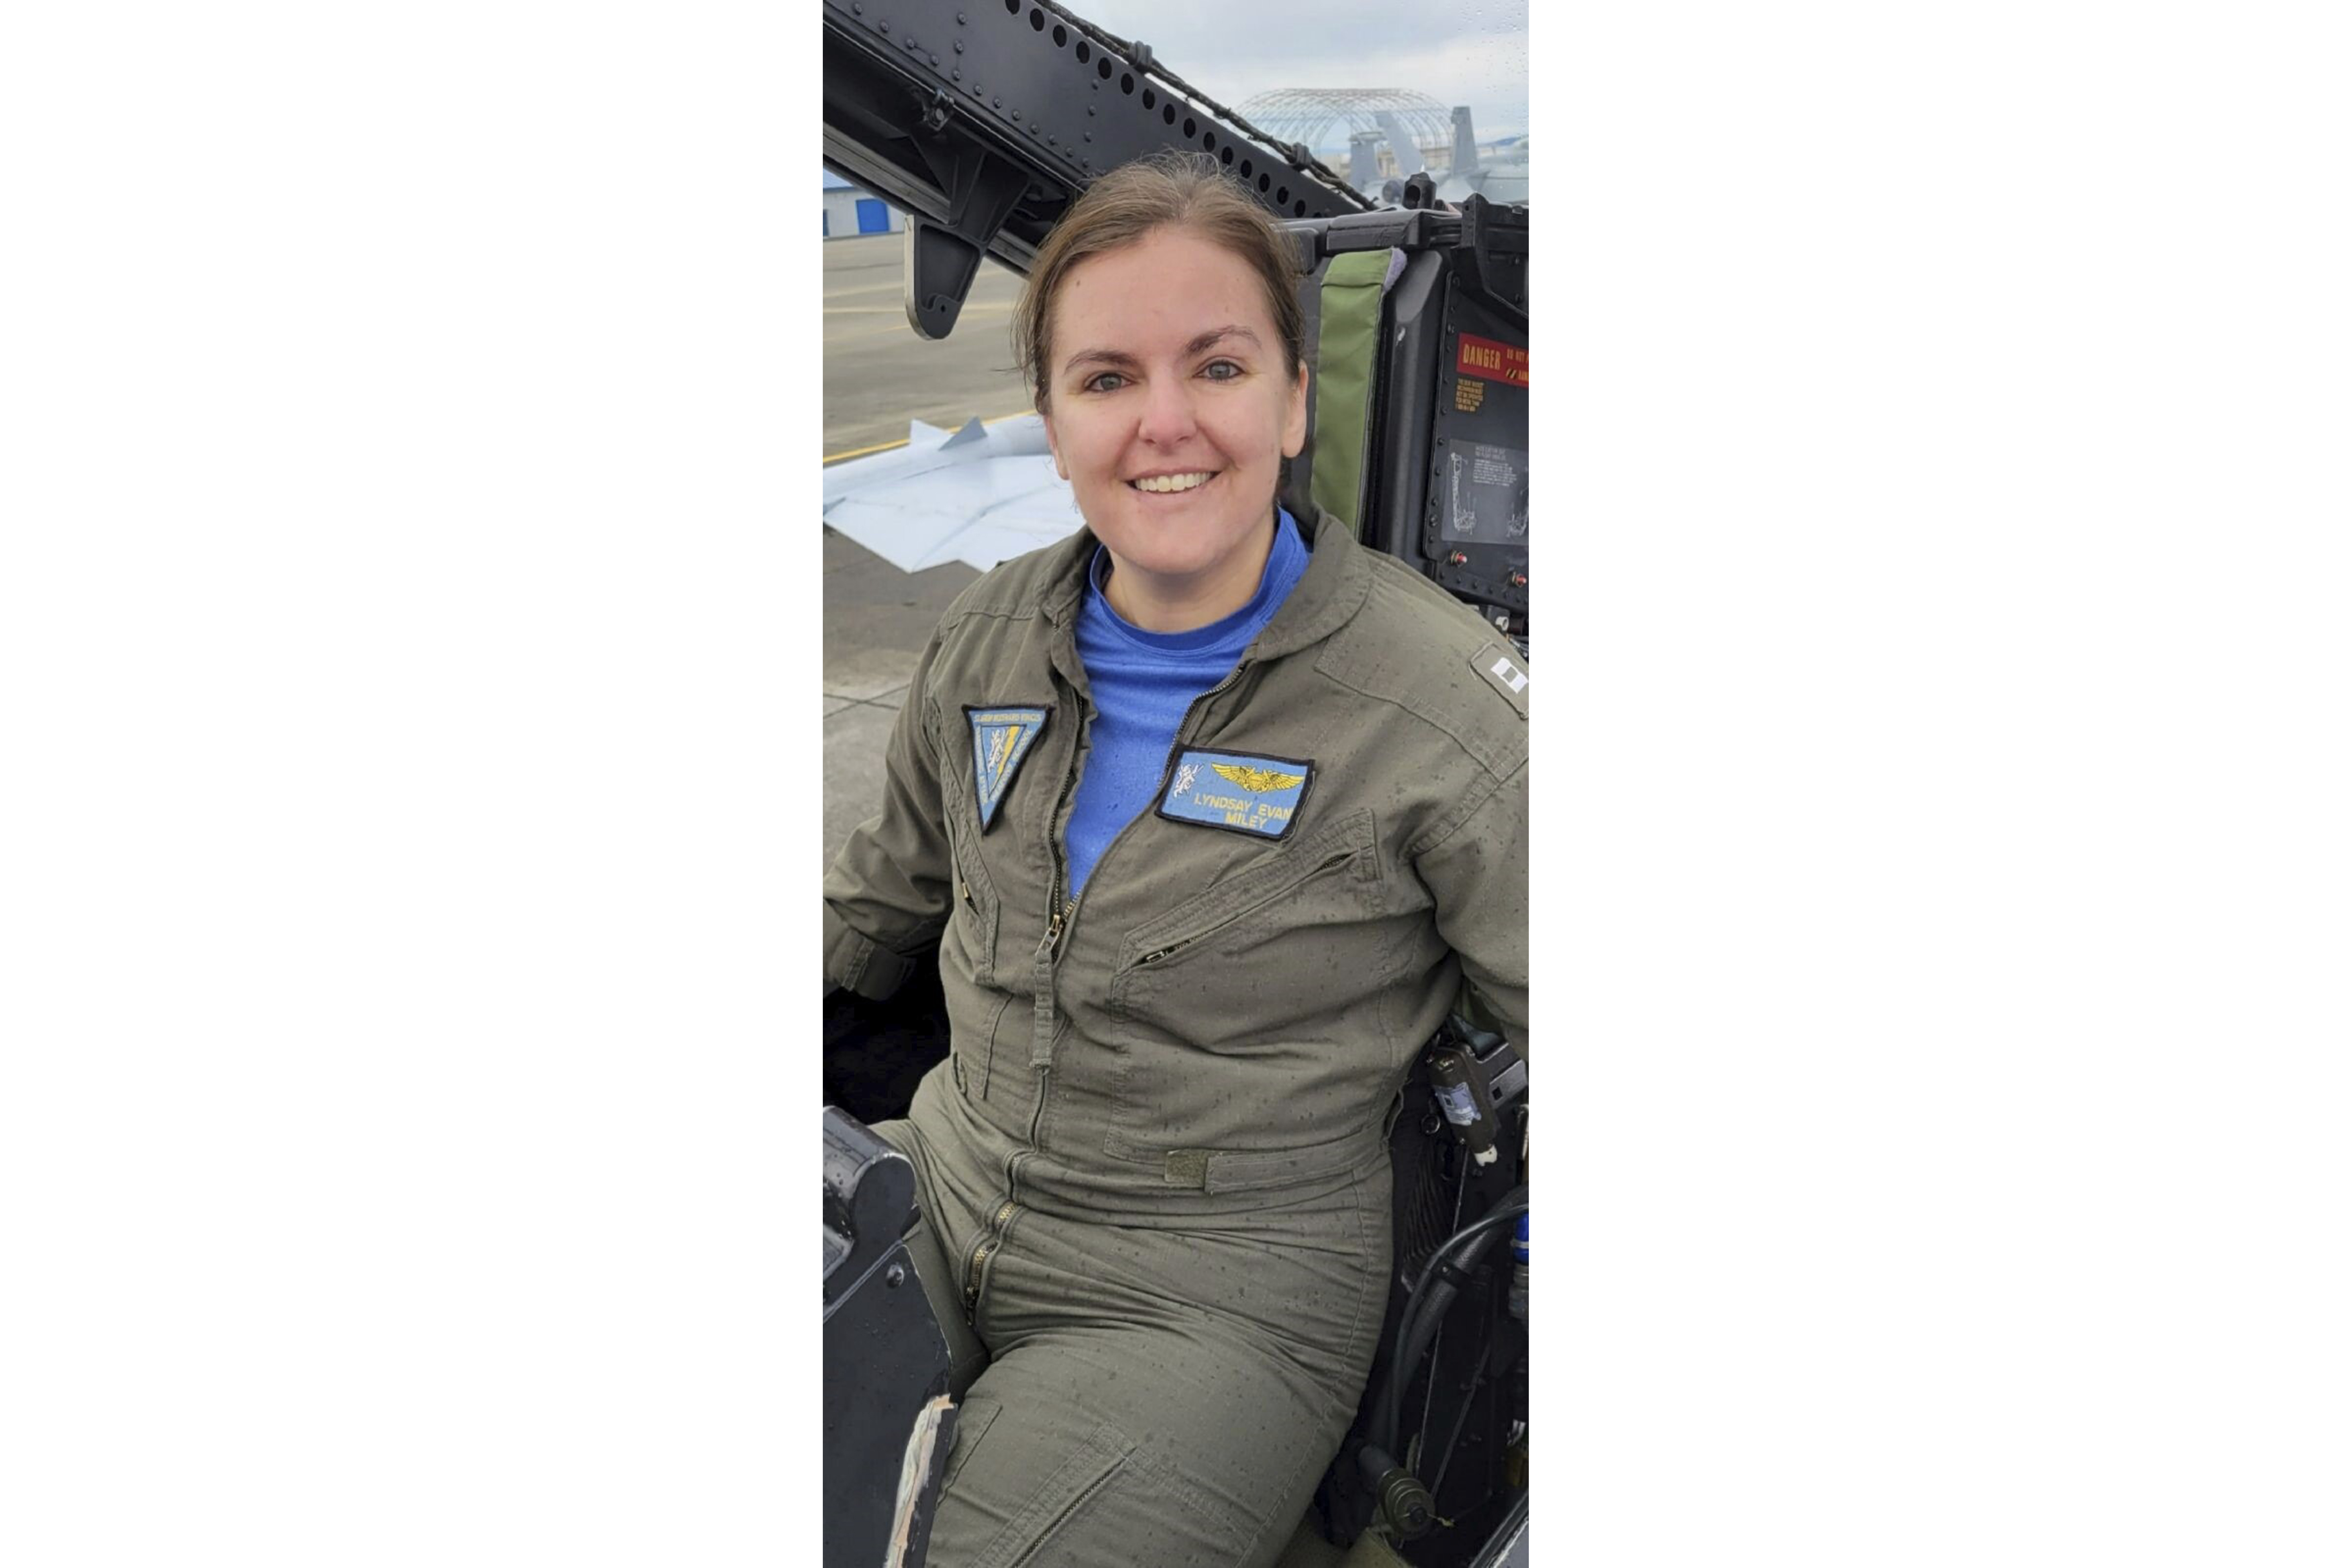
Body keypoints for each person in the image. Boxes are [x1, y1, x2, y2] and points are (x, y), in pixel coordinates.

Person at [822, 151, 1528, 1568]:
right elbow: (870, 912)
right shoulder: (989, 636)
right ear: (1052, 418)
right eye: (1104, 380)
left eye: (1215, 366)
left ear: (1291, 398)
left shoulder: (1442, 706)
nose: (1164, 425)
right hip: (945, 1181)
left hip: (1213, 1293)